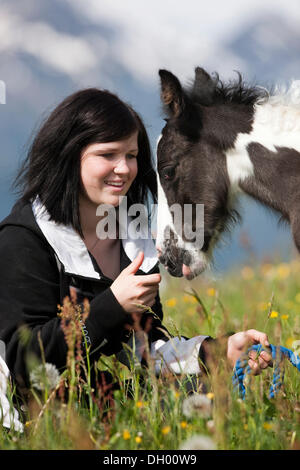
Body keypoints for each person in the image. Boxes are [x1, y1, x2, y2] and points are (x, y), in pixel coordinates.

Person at [0, 88, 272, 427]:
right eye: (108, 154)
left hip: (102, 401)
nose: (124, 169)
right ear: (70, 157)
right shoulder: (24, 240)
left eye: (131, 155)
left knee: (207, 396)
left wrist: (217, 353)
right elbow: (25, 363)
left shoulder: (133, 236)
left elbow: (145, 347)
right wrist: (111, 306)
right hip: (33, 420)